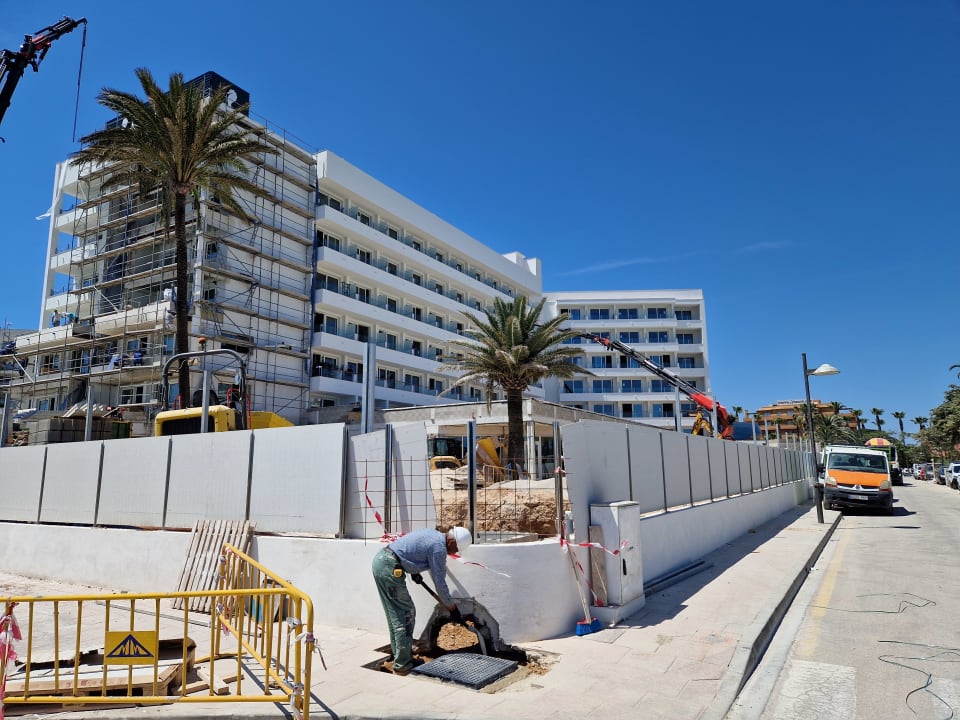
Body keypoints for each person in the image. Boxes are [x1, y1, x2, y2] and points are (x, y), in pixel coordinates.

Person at [371, 526, 471, 675]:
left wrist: (413, 570)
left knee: (395, 614)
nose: (455, 553)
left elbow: (412, 548)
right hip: (390, 566)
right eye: (456, 549)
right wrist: (452, 608)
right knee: (405, 613)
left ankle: (398, 655)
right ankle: (403, 664)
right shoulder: (439, 548)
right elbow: (440, 583)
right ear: (451, 542)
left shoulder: (433, 535)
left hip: (382, 561)